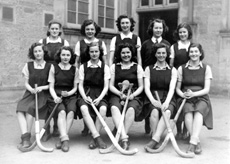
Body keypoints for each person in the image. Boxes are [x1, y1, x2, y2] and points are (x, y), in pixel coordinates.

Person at [176, 43, 213, 154]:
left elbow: (207, 89)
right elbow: (178, 88)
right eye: (191, 52)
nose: (194, 54)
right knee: (187, 111)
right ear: (189, 53)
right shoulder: (181, 68)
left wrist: (194, 94)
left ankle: (192, 143)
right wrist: (182, 95)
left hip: (201, 97)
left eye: (196, 51)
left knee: (198, 112)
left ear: (200, 53)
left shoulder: (206, 68)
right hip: (186, 97)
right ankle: (196, 141)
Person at [74, 19, 108, 136]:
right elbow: (77, 61)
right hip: (85, 71)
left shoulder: (101, 43)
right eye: (87, 29)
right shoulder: (80, 43)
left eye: (92, 29)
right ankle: (86, 126)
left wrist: (104, 70)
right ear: (84, 30)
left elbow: (104, 60)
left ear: (95, 30)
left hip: (97, 71)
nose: (90, 31)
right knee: (85, 102)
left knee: (97, 102)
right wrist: (77, 74)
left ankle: (94, 129)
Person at [39, 19, 70, 141]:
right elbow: (39, 56)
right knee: (46, 100)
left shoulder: (64, 42)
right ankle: (46, 129)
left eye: (57, 29)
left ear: (60, 30)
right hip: (46, 71)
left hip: (58, 71)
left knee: (57, 98)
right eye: (52, 28)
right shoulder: (43, 41)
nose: (54, 31)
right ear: (48, 29)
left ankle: (57, 126)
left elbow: (68, 57)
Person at [109, 42, 144, 150]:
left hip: (133, 95)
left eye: (128, 52)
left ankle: (121, 133)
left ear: (131, 53)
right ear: (119, 54)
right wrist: (119, 93)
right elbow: (111, 85)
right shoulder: (114, 67)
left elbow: (141, 86)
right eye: (123, 53)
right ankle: (124, 138)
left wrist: (132, 95)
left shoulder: (137, 67)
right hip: (117, 93)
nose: (125, 55)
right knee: (114, 108)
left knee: (131, 109)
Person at [16, 43, 51, 148]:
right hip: (30, 92)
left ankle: (26, 139)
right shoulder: (28, 65)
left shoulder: (50, 66)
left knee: (30, 110)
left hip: (43, 94)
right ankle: (25, 135)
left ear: (44, 52)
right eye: (35, 51)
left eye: (39, 51)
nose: (37, 53)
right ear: (33, 53)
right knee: (19, 109)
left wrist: (41, 88)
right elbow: (26, 82)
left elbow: (51, 85)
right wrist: (31, 89)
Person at [143, 43, 177, 150]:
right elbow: (146, 88)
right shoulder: (149, 69)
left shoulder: (173, 70)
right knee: (154, 111)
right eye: (159, 53)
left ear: (167, 54)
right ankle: (154, 136)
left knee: (167, 111)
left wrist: (167, 102)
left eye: (163, 53)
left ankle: (155, 139)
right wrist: (152, 100)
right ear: (155, 54)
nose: (161, 55)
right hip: (153, 96)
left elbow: (172, 88)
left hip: (168, 97)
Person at [77, 42, 110, 149]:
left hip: (100, 94)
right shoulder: (83, 67)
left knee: (103, 109)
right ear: (89, 53)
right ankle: (97, 137)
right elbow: (80, 85)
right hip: (86, 93)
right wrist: (84, 97)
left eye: (96, 51)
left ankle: (94, 138)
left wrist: (100, 98)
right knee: (83, 108)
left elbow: (106, 86)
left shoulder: (105, 67)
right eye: (92, 51)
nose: (94, 54)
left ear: (100, 52)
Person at [141, 18, 171, 134]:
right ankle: (148, 123)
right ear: (152, 29)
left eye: (160, 28)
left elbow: (168, 61)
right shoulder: (145, 44)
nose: (158, 30)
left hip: (161, 75)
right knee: (149, 100)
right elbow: (142, 60)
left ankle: (157, 127)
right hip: (148, 75)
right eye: (156, 27)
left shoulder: (167, 44)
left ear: (163, 29)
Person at [48, 46, 78, 152]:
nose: (65, 57)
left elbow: (75, 87)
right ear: (59, 56)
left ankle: (63, 138)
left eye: (68, 55)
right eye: (63, 55)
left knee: (70, 112)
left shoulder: (75, 69)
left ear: (71, 56)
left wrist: (68, 93)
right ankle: (65, 140)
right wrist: (55, 97)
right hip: (56, 95)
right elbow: (51, 87)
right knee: (62, 112)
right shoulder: (53, 67)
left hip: (70, 95)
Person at [169, 23, 193, 140]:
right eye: (180, 32)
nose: (182, 34)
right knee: (178, 103)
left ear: (188, 33)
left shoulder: (192, 46)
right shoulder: (173, 47)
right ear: (177, 34)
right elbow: (171, 64)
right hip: (178, 77)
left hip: (190, 77)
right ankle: (178, 130)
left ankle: (186, 130)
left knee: (188, 103)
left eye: (184, 32)